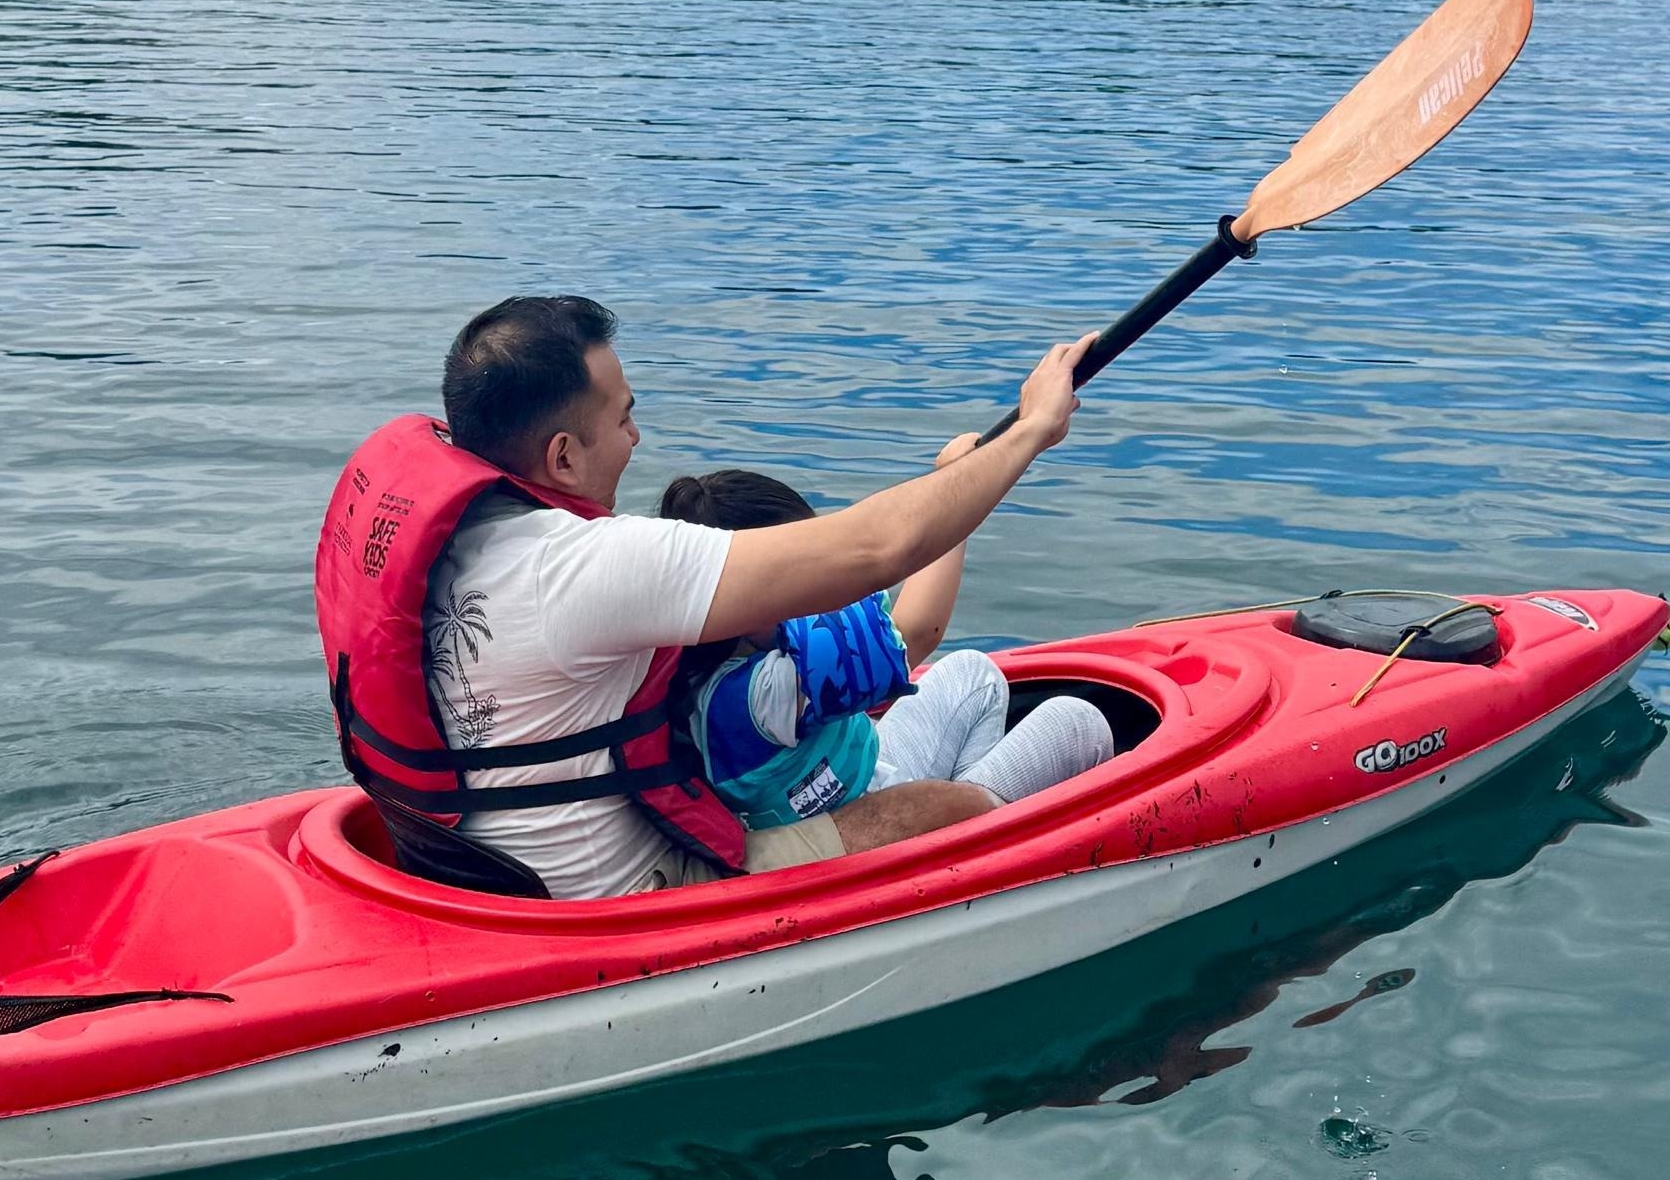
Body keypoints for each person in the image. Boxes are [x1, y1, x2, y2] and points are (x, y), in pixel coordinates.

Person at [312, 294, 1099, 899]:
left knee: (958, 697)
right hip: (627, 898)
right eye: (624, 419)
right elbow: (877, 549)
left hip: (470, 863)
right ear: (561, 455)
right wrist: (1027, 431)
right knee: (946, 808)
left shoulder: (445, 542)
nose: (636, 439)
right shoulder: (582, 567)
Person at [654, 464, 1119, 871]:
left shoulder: (701, 665)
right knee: (1077, 722)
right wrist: (957, 486)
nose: (821, 580)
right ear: (748, 594)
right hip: (869, 827)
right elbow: (916, 633)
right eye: (799, 569)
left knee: (972, 673)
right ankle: (966, 832)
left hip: (871, 778)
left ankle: (966, 820)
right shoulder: (757, 699)